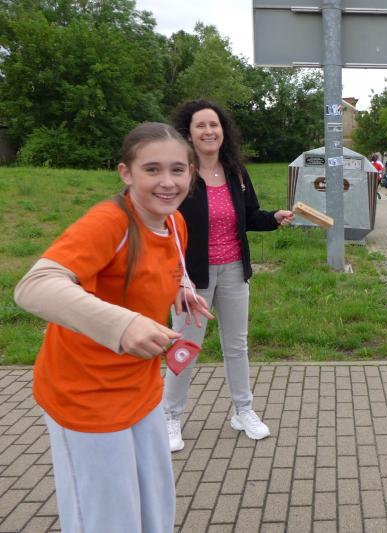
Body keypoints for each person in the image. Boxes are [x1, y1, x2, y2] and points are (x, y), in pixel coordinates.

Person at [14, 122, 213, 532]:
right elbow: (34, 286)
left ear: (192, 174)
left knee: (155, 508)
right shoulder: (109, 222)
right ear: (126, 173)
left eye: (178, 170)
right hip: (86, 395)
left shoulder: (174, 222)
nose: (167, 182)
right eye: (152, 169)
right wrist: (123, 324)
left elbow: (168, 263)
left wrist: (182, 286)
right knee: (107, 518)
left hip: (142, 386)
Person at [163, 100, 294, 452]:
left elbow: (249, 216)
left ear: (223, 131)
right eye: (201, 126)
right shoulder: (180, 173)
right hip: (192, 278)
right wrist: (176, 276)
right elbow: (165, 226)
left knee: (237, 345)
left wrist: (273, 218)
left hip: (235, 270)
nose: (209, 131)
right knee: (185, 346)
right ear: (188, 133)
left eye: (214, 125)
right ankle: (170, 415)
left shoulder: (235, 171)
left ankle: (243, 411)